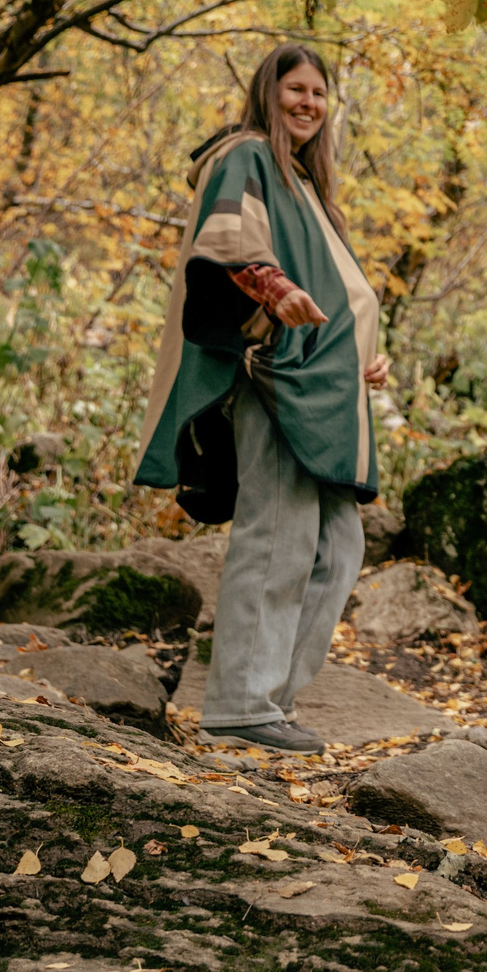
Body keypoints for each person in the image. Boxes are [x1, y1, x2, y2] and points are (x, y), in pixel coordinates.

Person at [135, 43, 390, 754]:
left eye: (319, 92)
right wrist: (271, 288)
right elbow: (230, 244)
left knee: (338, 546)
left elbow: (339, 290)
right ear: (267, 92)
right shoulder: (245, 155)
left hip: (330, 390)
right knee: (276, 530)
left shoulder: (309, 187)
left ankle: (270, 698)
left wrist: (366, 352)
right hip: (273, 376)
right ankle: (240, 705)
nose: (308, 102)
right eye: (295, 89)